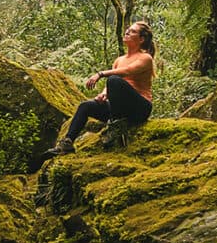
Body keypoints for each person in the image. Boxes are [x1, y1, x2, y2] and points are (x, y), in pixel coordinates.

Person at [46, 22, 157, 155]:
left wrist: (100, 74)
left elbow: (127, 72)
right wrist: (103, 94)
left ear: (141, 39)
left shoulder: (146, 58)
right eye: (127, 30)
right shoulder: (119, 60)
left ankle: (115, 126)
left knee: (114, 79)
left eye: (132, 31)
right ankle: (67, 143)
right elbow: (110, 86)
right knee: (85, 106)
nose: (127, 32)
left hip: (139, 109)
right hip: (120, 110)